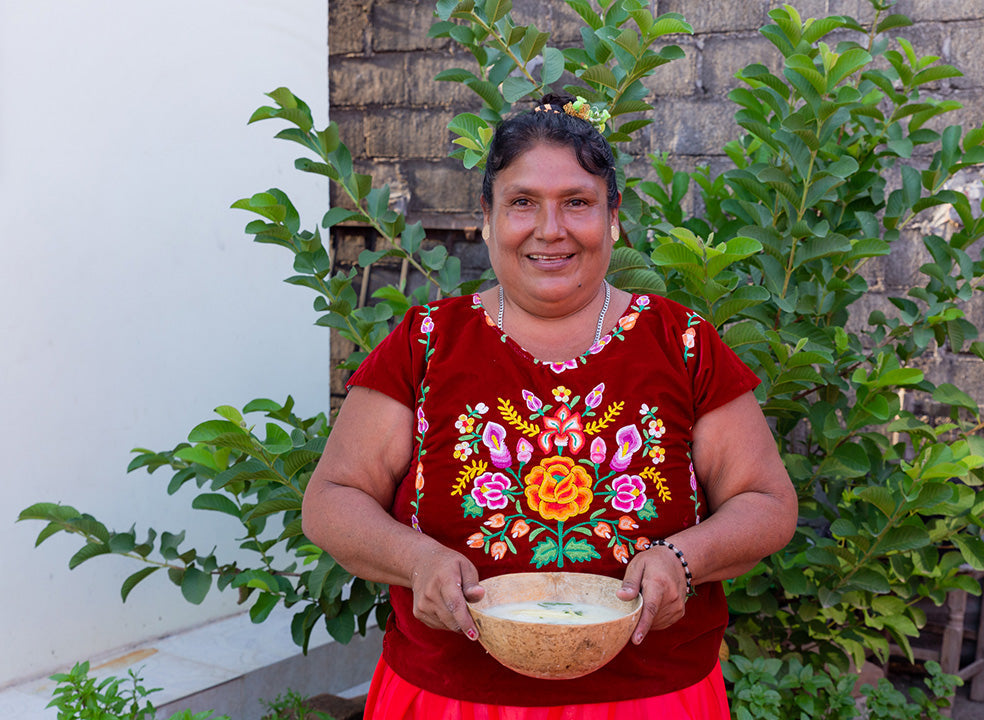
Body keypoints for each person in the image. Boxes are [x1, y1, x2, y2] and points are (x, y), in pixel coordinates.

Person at [302, 92, 797, 720]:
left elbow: (768, 503)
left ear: (613, 217)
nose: (550, 229)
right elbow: (332, 498)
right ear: (486, 217)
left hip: (650, 697)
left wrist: (682, 559)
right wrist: (416, 559)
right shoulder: (427, 342)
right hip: (452, 697)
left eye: (577, 203)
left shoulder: (682, 341)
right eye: (522, 203)